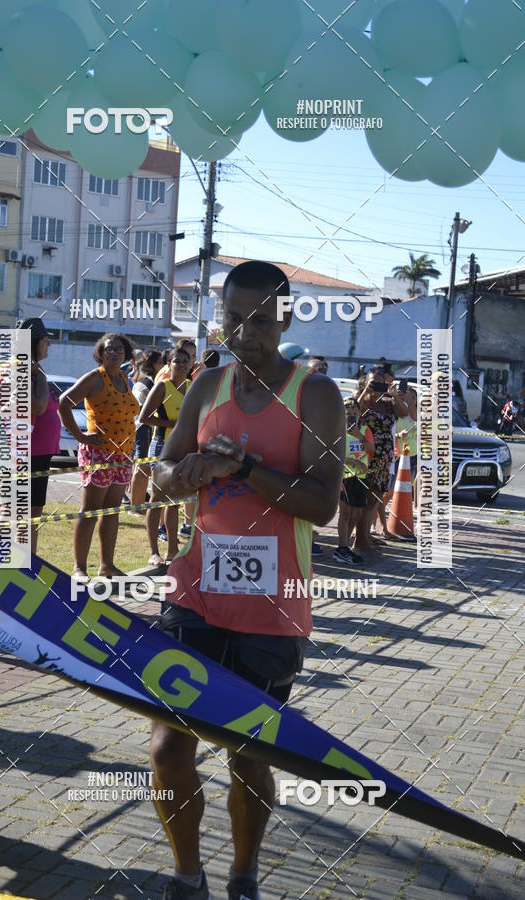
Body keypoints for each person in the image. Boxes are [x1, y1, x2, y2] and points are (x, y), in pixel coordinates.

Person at [149, 260, 345, 900]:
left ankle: (243, 875)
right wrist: (179, 476)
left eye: (261, 320)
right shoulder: (209, 385)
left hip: (270, 611)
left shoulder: (314, 394)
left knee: (246, 754)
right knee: (166, 749)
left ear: (285, 318)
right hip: (194, 594)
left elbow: (322, 505)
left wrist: (248, 467)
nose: (246, 332)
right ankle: (186, 878)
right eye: (234, 318)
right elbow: (164, 464)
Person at [59, 333, 137, 582]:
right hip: (99, 453)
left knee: (112, 510)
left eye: (119, 349)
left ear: (126, 355)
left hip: (123, 454)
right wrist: (79, 436)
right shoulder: (95, 378)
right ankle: (79, 567)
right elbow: (64, 402)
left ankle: (107, 565)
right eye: (109, 349)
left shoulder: (124, 378)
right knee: (90, 510)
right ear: (100, 354)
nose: (114, 353)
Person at [139, 347, 192, 566]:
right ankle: (154, 551)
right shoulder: (162, 386)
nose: (180, 365)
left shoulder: (192, 386)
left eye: (185, 361)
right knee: (157, 500)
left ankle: (172, 549)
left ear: (191, 365)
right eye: (176, 361)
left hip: (183, 448)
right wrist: (174, 425)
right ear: (168, 364)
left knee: (174, 501)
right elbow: (144, 417)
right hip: (161, 446)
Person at [14, 318, 61, 555]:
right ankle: (21, 563)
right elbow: (38, 407)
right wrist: (40, 375)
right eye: (45, 339)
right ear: (33, 342)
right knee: (23, 514)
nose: (49, 344)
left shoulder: (33, 370)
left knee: (33, 514)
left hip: (39, 456)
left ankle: (29, 562)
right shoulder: (21, 371)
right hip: (24, 455)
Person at [354, 370, 407, 555]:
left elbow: (404, 412)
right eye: (373, 382)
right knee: (362, 500)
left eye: (381, 383)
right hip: (367, 455)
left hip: (384, 456)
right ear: (366, 382)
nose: (377, 386)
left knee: (374, 500)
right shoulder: (362, 400)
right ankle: (359, 541)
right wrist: (365, 391)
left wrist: (393, 395)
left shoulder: (388, 403)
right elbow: (353, 413)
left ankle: (364, 539)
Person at [334, 397, 374, 565]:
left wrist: (360, 437)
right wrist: (354, 463)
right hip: (346, 476)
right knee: (345, 513)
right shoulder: (337, 431)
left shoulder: (365, 430)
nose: (351, 417)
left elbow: (372, 449)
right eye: (348, 414)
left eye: (354, 413)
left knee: (357, 514)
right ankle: (341, 548)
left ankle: (345, 547)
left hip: (362, 477)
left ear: (359, 414)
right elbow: (334, 455)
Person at [130, 350, 162, 508]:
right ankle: (136, 506)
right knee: (142, 468)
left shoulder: (144, 381)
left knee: (141, 467)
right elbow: (142, 411)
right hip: (143, 428)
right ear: (155, 364)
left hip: (142, 428)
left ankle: (138, 503)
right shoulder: (148, 383)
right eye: (161, 362)